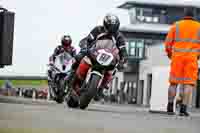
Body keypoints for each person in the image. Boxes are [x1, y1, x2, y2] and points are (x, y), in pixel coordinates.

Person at [68, 14, 128, 96]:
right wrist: (85, 46)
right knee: (79, 57)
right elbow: (88, 39)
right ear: (105, 24)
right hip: (94, 52)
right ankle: (72, 75)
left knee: (114, 70)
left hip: (108, 57)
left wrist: (124, 57)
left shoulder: (118, 36)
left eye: (114, 27)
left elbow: (122, 49)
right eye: (110, 26)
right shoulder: (98, 30)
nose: (111, 29)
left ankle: (102, 86)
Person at [164, 8, 200, 116]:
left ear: (184, 15)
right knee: (188, 84)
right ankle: (183, 110)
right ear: (194, 15)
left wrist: (170, 54)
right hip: (191, 58)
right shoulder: (199, 27)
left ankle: (170, 107)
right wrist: (197, 55)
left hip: (177, 58)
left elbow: (168, 43)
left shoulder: (176, 25)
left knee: (173, 83)